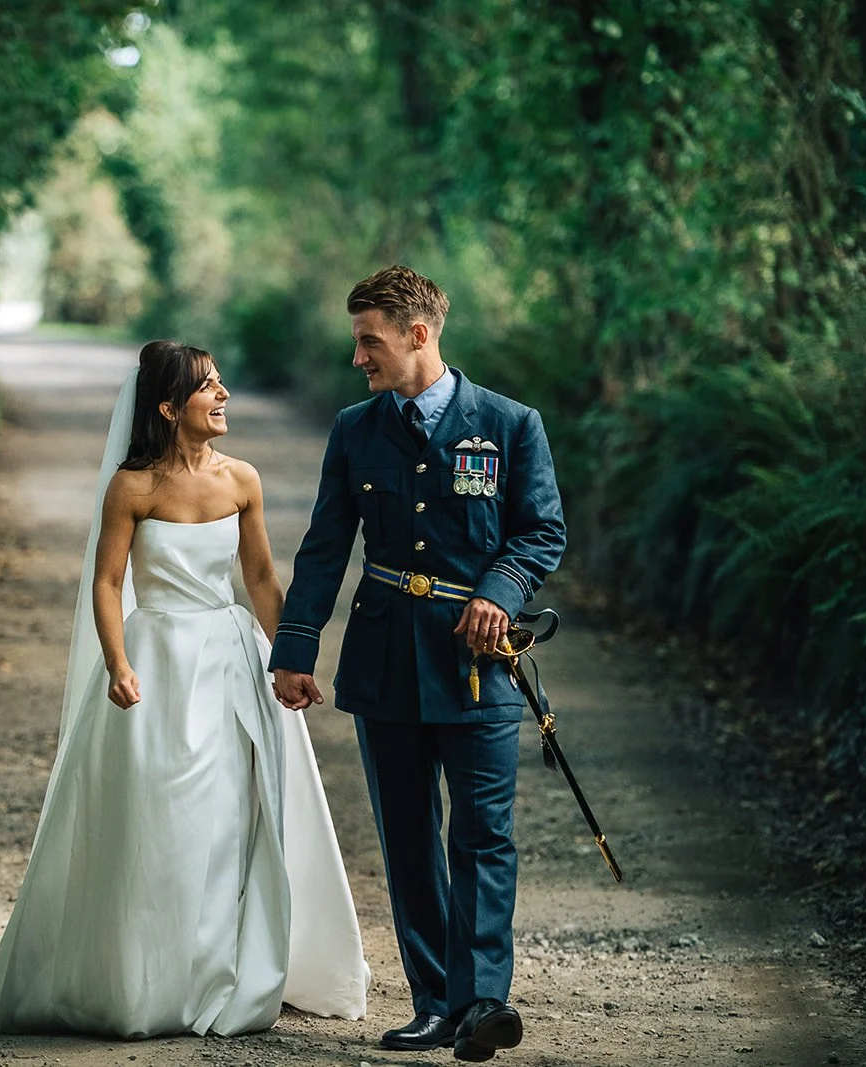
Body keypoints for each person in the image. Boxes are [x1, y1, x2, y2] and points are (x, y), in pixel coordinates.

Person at [0, 340, 369, 1039]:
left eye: (222, 384)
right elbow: (107, 581)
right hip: (157, 661)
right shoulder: (134, 487)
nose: (224, 396)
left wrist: (291, 657)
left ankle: (215, 973)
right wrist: (117, 661)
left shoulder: (243, 479)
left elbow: (264, 579)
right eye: (209, 387)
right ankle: (143, 977)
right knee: (156, 814)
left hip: (229, 660)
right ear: (169, 406)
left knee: (228, 816)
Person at [270, 266, 566, 1062]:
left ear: (418, 335)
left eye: (369, 340)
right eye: (357, 340)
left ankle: (482, 1004)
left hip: (477, 664)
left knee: (482, 836)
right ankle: (436, 1003)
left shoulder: (509, 424)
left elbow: (540, 531)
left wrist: (499, 592)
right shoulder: (355, 429)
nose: (358, 356)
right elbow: (326, 547)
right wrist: (294, 649)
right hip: (387, 662)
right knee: (409, 839)